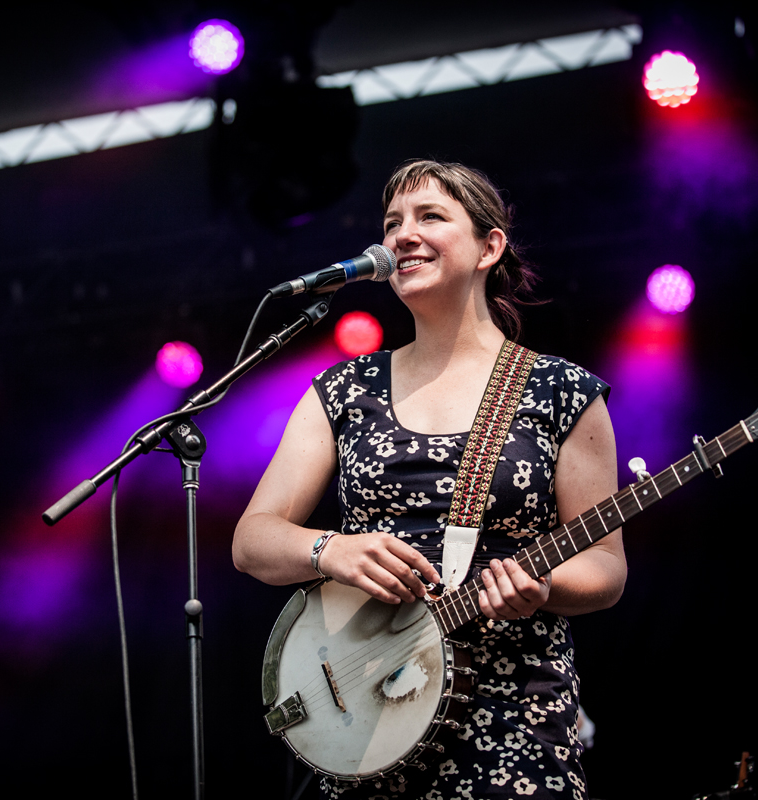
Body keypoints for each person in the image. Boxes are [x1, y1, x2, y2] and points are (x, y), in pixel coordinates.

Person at [233, 159, 626, 799]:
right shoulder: (343, 390)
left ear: (488, 247)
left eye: (431, 217)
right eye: (393, 223)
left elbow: (607, 567)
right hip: (368, 726)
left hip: (513, 723)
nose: (402, 235)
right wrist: (329, 549)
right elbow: (252, 540)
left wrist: (542, 584)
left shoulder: (561, 391)